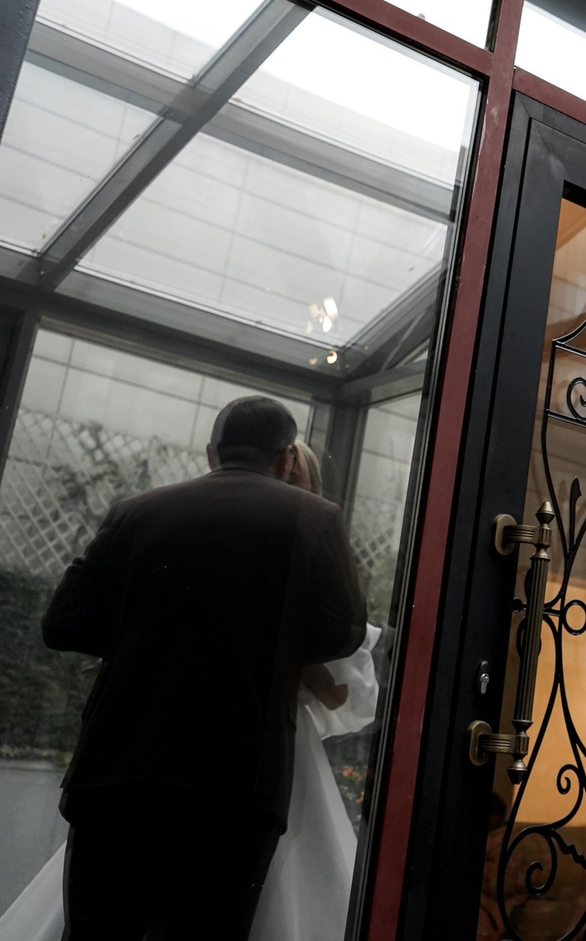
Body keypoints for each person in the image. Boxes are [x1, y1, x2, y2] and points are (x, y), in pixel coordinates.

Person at [35, 396, 367, 941]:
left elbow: (62, 624)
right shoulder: (314, 518)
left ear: (212, 453)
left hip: (119, 766)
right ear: (286, 458)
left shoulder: (136, 510)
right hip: (237, 779)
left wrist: (145, 636)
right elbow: (342, 633)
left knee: (98, 929)